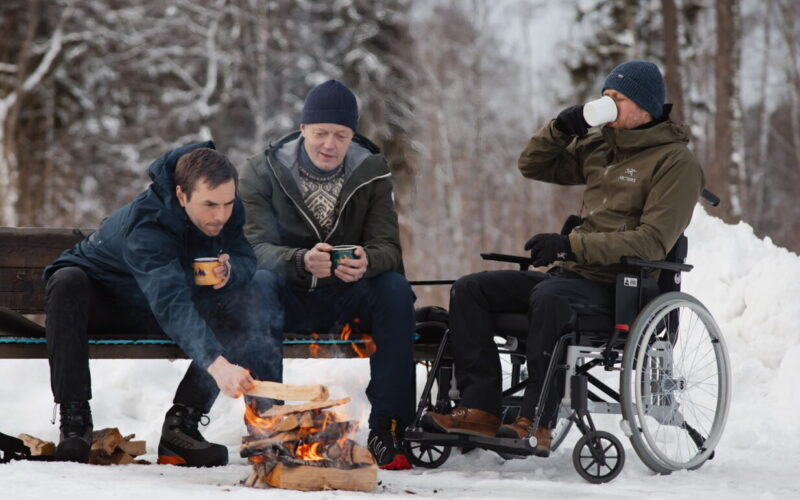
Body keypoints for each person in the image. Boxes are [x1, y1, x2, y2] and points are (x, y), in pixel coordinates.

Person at [423, 61, 705, 457]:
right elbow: (532, 164)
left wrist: (570, 245)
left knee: (550, 298)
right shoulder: (602, 147)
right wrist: (560, 129)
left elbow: (653, 242)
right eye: (604, 96)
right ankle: (480, 408)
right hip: (569, 277)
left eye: (617, 99)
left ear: (645, 106)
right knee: (471, 289)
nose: (606, 103)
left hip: (621, 288)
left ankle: (535, 421)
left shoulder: (675, 162)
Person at [44, 143, 283, 465]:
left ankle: (183, 426)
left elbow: (244, 255)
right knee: (67, 282)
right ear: (182, 195)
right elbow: (170, 302)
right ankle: (75, 421)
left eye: (228, 203)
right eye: (210, 205)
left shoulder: (226, 206)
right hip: (105, 304)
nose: (221, 215)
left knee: (249, 290)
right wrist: (218, 365)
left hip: (163, 305)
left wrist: (231, 271)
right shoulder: (147, 226)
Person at [239, 80, 415, 470]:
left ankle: (389, 429)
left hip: (348, 299)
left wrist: (368, 260)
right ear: (302, 130)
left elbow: (389, 247)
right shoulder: (260, 171)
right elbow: (252, 249)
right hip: (288, 298)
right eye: (320, 133)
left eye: (340, 135)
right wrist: (299, 260)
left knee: (395, 288)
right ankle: (267, 426)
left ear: (353, 136)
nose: (329, 145)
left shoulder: (372, 172)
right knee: (258, 283)